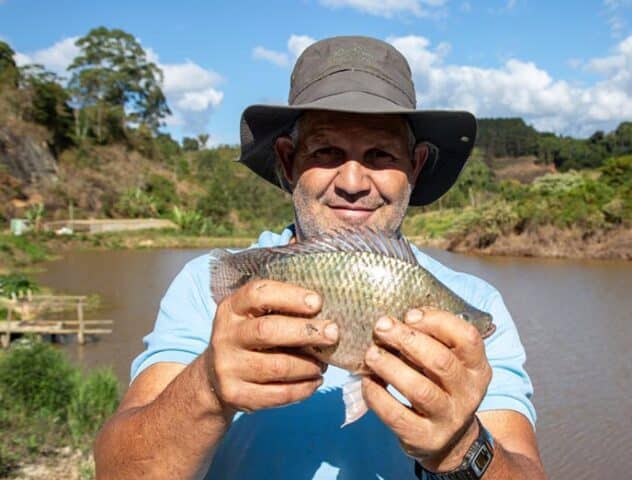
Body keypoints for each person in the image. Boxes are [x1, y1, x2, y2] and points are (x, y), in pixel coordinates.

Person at [94, 36, 546, 480]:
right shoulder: (215, 287)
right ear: (288, 161)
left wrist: (460, 447)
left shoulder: (473, 302)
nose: (352, 180)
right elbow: (115, 472)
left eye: (380, 154)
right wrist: (208, 386)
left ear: (417, 165)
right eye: (327, 151)